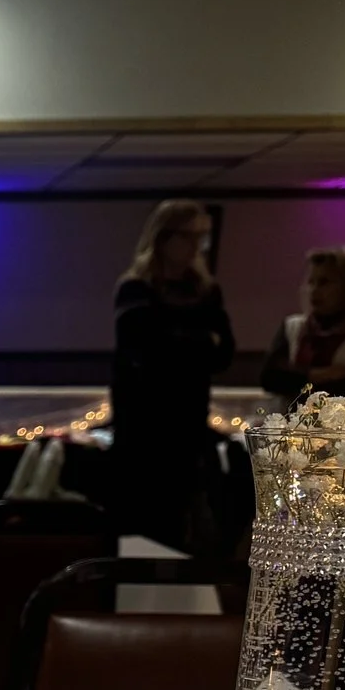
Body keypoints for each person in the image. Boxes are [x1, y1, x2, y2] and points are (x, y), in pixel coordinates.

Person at [108, 199, 236, 550]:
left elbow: (222, 352)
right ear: (165, 238)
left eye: (203, 238)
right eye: (190, 237)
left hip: (188, 422)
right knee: (140, 522)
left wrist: (180, 342)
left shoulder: (206, 291)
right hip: (143, 427)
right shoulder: (136, 289)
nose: (198, 247)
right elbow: (146, 352)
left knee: (185, 523)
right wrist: (193, 343)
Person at [261, 249, 345, 400]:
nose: (315, 290)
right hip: (291, 420)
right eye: (311, 282)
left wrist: (296, 376)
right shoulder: (293, 327)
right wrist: (317, 374)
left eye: (324, 282)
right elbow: (269, 379)